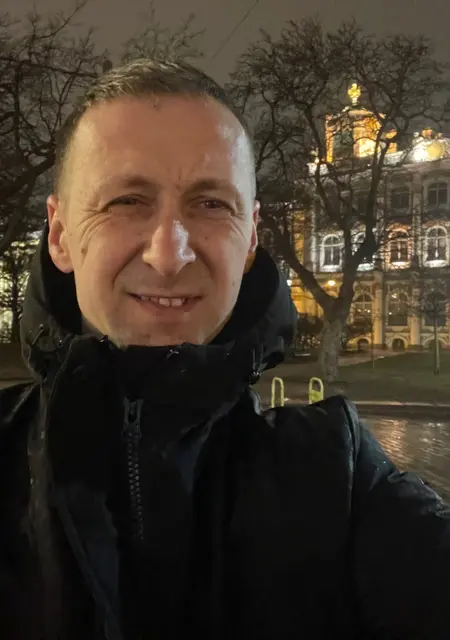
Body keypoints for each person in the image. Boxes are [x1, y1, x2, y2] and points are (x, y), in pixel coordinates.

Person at [0, 59, 449, 640]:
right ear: (59, 235)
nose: (169, 255)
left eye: (211, 204)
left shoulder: (339, 477)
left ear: (251, 237)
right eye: (126, 201)